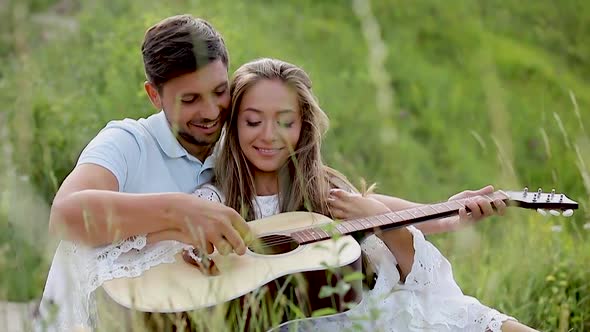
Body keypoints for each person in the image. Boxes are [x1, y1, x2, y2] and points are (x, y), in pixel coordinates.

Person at [36, 14, 519, 331]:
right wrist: (179, 212)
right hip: (99, 314)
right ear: (154, 96)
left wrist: (447, 214)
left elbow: (329, 194)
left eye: (220, 92)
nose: (211, 111)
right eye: (190, 100)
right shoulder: (126, 142)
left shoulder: (236, 139)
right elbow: (66, 215)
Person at [180, 57, 538, 332]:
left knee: (459, 316)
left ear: (304, 127)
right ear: (234, 123)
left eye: (286, 122)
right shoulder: (215, 201)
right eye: (253, 121)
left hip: (363, 315)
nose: (269, 136)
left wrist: (445, 215)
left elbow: (414, 266)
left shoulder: (325, 192)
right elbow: (184, 263)